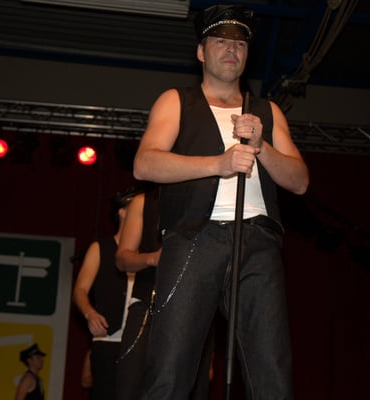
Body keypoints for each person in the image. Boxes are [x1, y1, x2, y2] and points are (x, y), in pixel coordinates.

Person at [133, 4, 309, 400]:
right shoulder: (177, 101)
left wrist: (261, 147)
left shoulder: (266, 111)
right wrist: (219, 164)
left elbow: (299, 182)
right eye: (220, 42)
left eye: (240, 44)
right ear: (201, 52)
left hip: (258, 243)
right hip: (193, 239)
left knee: (272, 374)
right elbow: (144, 164)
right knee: (170, 370)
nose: (231, 49)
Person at [114, 183, 214, 400]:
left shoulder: (207, 197)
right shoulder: (143, 202)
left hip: (194, 307)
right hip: (146, 305)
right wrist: (152, 258)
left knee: (190, 386)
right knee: (130, 383)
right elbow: (122, 259)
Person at [72, 186, 140, 399]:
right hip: (108, 341)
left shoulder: (147, 253)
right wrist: (90, 313)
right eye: (136, 208)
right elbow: (80, 289)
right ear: (123, 212)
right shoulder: (100, 248)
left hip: (139, 342)